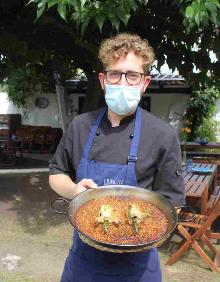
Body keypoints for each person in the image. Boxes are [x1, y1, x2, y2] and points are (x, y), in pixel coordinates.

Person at [49, 32, 185, 282]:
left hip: (138, 267)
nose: (123, 82)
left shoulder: (162, 135)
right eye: (115, 74)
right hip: (84, 265)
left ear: (144, 83)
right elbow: (56, 174)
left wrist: (138, 231)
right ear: (103, 80)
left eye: (132, 75)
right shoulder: (80, 126)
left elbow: (171, 203)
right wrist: (75, 191)